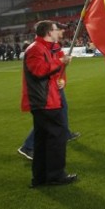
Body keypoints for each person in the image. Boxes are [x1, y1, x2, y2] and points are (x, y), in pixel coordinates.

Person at [21, 20, 77, 187]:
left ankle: (40, 178)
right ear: (48, 32)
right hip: (44, 101)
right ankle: (55, 176)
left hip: (48, 99)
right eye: (55, 29)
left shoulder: (45, 48)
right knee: (56, 139)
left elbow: (52, 72)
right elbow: (39, 71)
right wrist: (61, 62)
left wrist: (62, 80)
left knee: (43, 140)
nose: (58, 31)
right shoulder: (35, 49)